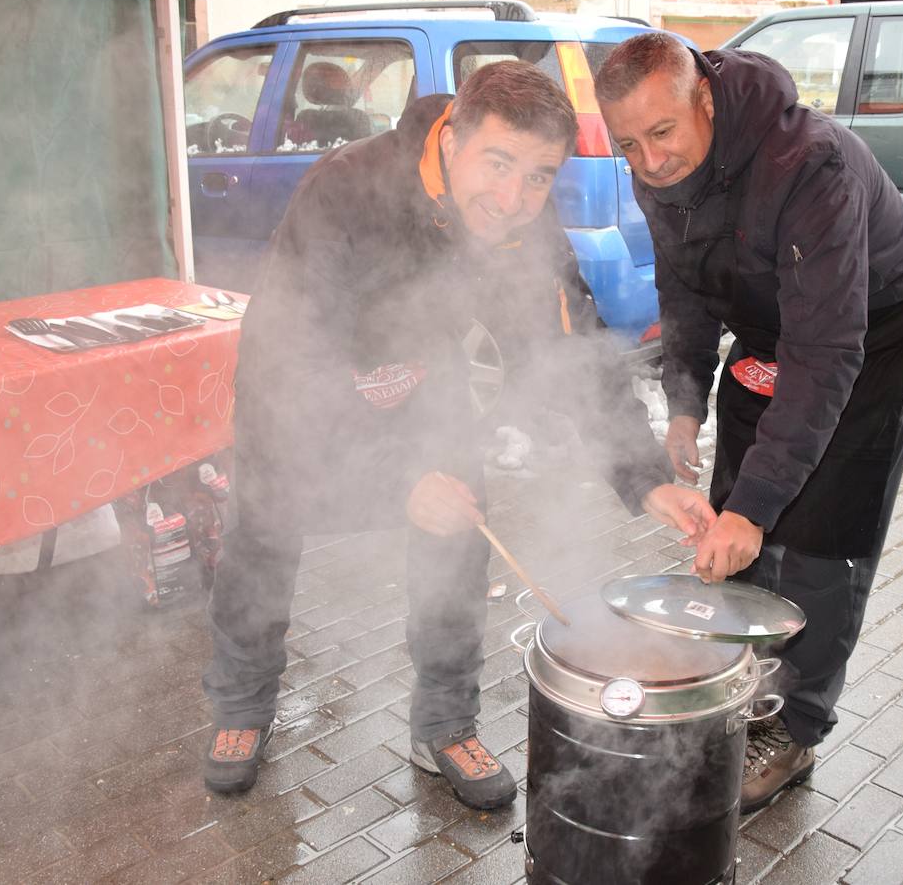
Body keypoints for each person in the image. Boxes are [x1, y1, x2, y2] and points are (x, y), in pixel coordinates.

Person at [201, 60, 716, 808]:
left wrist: (644, 477)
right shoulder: (345, 192)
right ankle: (243, 706)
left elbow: (569, 347)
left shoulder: (523, 224)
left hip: (420, 382)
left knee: (461, 516)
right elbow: (290, 358)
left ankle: (444, 721)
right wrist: (396, 479)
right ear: (454, 141)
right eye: (498, 164)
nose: (512, 200)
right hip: (301, 391)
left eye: (538, 177)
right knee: (264, 519)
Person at [596, 34, 903, 813]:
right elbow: (684, 289)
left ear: (706, 101)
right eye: (628, 144)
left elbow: (826, 352)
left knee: (822, 527)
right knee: (731, 513)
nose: (649, 161)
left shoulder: (806, 164)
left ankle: (795, 727)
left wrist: (760, 508)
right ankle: (740, 682)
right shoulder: (660, 172)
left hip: (876, 328)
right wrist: (686, 405)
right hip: (770, 327)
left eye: (662, 134)